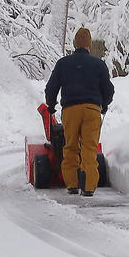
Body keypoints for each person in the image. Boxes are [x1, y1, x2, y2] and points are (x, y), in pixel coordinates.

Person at [44, 28, 115, 197]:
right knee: (89, 148)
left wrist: (51, 105)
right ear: (89, 46)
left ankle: (72, 185)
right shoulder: (99, 64)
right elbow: (109, 90)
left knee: (70, 147)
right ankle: (89, 187)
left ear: (75, 44)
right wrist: (103, 105)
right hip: (92, 110)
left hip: (70, 110)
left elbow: (51, 88)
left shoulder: (63, 63)